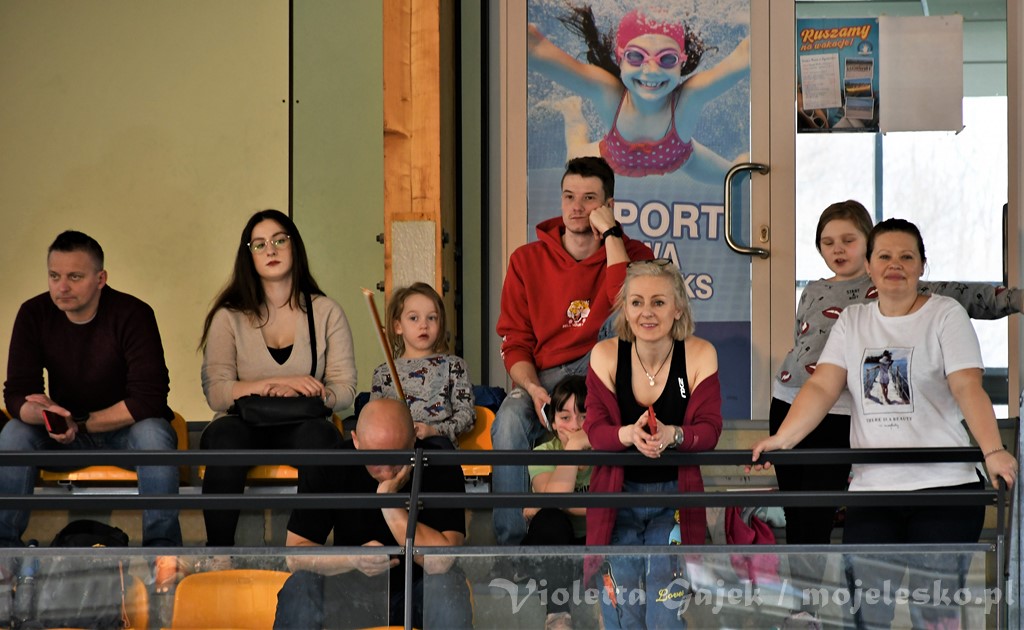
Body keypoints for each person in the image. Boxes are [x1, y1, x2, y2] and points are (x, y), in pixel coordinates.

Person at [753, 218, 1018, 630]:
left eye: (906, 257)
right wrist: (783, 438)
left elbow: (967, 387)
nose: (895, 265)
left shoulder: (945, 314)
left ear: (922, 266)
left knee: (934, 616)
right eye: (885, 256)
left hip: (944, 490)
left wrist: (994, 450)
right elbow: (822, 386)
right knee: (868, 616)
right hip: (872, 492)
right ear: (870, 266)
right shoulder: (852, 320)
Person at [492, 155, 653, 546]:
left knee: (623, 316)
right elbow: (515, 341)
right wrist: (532, 388)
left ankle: (625, 532)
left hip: (606, 369)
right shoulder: (526, 260)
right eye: (569, 196)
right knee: (510, 418)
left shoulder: (636, 254)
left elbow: (628, 308)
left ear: (608, 205)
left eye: (589, 198)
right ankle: (512, 549)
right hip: (548, 375)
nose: (577, 207)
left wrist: (611, 235)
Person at [0, 230, 181, 575]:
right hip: (61, 434)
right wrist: (44, 413)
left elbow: (149, 399)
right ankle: (3, 554)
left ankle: (163, 555)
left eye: (74, 277)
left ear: (101, 279)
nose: (62, 287)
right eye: (54, 276)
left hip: (123, 431)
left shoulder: (133, 313)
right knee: (13, 433)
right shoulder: (34, 313)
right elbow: (17, 395)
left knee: (153, 434)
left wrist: (79, 424)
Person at [199, 209, 357, 547]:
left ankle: (304, 549)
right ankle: (218, 552)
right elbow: (216, 392)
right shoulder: (229, 316)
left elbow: (345, 388)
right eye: (259, 245)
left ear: (294, 246)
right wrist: (271, 387)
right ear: (249, 256)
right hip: (242, 421)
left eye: (278, 241)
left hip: (301, 421)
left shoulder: (326, 311)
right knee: (224, 440)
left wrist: (315, 393)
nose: (270, 250)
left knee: (324, 440)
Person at [584, 259, 723, 629]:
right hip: (617, 500)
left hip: (674, 499)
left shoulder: (700, 353)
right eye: (637, 302)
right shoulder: (604, 354)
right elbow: (595, 430)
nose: (647, 312)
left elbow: (709, 430)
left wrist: (674, 434)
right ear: (625, 309)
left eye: (658, 302)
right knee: (621, 614)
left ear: (677, 308)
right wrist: (628, 434)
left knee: (665, 617)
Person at [273, 399, 472, 629]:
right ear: (356, 441)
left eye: (398, 457)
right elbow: (295, 555)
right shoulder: (330, 463)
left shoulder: (440, 465)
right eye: (376, 459)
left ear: (414, 438)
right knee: (300, 586)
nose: (387, 472)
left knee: (448, 585)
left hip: (416, 591)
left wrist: (389, 505)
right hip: (347, 594)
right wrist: (353, 558)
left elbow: (441, 562)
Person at [528, 6, 749, 181]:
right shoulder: (609, 93)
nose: (652, 70)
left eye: (667, 58)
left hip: (682, 158)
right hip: (612, 158)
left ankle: (742, 163)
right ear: (620, 58)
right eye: (636, 56)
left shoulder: (688, 98)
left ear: (681, 62)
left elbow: (742, 59)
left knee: (735, 176)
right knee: (573, 157)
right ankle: (572, 113)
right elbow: (537, 51)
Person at [520, 375, 591, 630]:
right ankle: (558, 616)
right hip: (554, 550)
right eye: (565, 417)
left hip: (593, 546)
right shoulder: (543, 453)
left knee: (618, 522)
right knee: (550, 518)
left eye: (584, 417)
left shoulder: (608, 452)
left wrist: (547, 501)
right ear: (552, 422)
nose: (575, 426)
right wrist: (573, 450)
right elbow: (555, 501)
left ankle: (611, 609)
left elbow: (610, 508)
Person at [370, 282, 474, 449]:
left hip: (436, 442)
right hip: (394, 445)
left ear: (440, 324)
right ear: (398, 326)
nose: (424, 325)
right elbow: (374, 418)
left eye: (431, 318)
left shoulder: (454, 366)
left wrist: (434, 430)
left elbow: (466, 415)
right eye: (414, 318)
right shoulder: (383, 372)